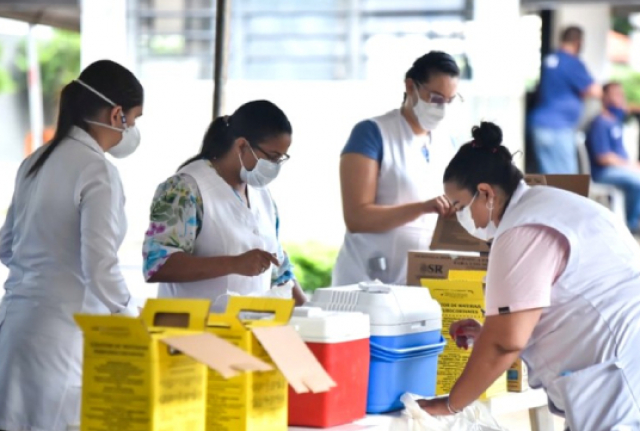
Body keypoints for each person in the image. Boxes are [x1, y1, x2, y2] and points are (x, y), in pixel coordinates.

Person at [419, 121, 640, 429]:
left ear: (484, 193)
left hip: (616, 376)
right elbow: (524, 323)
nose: (459, 218)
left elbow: (504, 344)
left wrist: (451, 404)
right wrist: (489, 334)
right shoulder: (552, 206)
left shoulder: (522, 230)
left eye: (459, 206)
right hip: (620, 361)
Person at [0, 60, 143, 431]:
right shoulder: (97, 170)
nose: (135, 129)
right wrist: (133, 320)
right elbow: (100, 266)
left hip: (15, 328)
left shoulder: (34, 161)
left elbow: (6, 246)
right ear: (117, 115)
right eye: (135, 117)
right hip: (63, 338)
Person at [143, 100, 306, 310]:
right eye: (272, 157)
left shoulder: (261, 194)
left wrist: (309, 313)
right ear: (241, 145)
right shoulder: (185, 189)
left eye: (280, 159)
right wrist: (235, 263)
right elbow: (157, 265)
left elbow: (279, 270)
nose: (274, 166)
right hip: (192, 332)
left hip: (248, 331)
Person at [332, 51, 459, 286]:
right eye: (436, 98)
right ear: (411, 86)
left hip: (424, 281)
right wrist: (422, 208)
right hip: (367, 278)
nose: (442, 107)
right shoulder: (372, 133)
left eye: (449, 100)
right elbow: (357, 218)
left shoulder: (447, 142)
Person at [529, 26, 602, 174]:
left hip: (541, 126)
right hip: (558, 128)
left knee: (550, 179)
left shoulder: (550, 59)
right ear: (578, 42)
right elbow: (595, 91)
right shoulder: (571, 62)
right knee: (567, 183)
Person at [586, 81, 640, 233]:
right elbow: (603, 157)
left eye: (621, 94)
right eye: (616, 94)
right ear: (605, 97)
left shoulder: (615, 120)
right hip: (604, 172)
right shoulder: (600, 123)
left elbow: (630, 109)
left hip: (620, 168)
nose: (621, 98)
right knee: (638, 181)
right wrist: (630, 166)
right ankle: (633, 224)